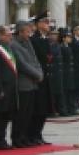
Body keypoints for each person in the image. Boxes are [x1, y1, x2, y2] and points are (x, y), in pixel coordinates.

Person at [9, 20, 43, 148]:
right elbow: (22, 64)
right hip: (23, 83)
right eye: (27, 32)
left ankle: (25, 137)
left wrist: (40, 72)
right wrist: (37, 74)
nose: (29, 34)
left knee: (29, 113)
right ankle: (17, 138)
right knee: (21, 114)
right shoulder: (14, 45)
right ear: (21, 31)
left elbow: (35, 60)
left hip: (33, 83)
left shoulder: (28, 43)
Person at [0, 26, 17, 150]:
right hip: (3, 87)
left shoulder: (7, 47)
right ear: (0, 35)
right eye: (7, 34)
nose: (10, 36)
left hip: (10, 86)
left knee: (6, 114)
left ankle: (2, 138)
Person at [29, 13, 52, 144]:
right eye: (45, 22)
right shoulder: (34, 39)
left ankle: (38, 134)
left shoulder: (45, 39)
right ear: (38, 24)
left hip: (46, 77)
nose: (47, 25)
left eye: (48, 22)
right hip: (38, 78)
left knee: (43, 109)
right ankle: (33, 135)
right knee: (37, 109)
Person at [70, 26, 79, 114]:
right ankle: (74, 106)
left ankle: (77, 105)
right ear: (75, 31)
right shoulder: (73, 41)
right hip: (75, 68)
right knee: (74, 89)